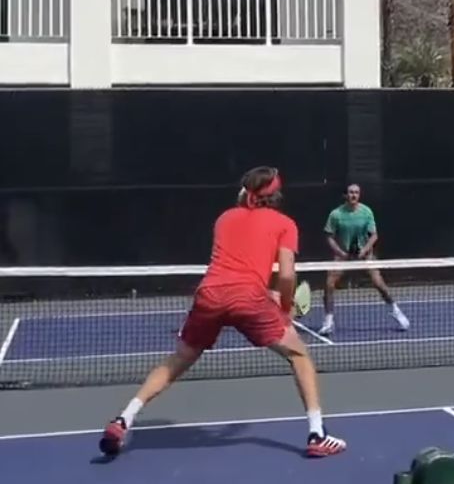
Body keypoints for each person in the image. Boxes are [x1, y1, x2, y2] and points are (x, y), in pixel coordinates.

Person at [98, 166, 346, 459]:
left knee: (179, 359)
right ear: (276, 196)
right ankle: (317, 434)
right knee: (299, 356)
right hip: (249, 299)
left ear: (246, 191)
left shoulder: (224, 219)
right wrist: (284, 307)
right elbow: (288, 276)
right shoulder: (285, 224)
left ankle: (123, 419)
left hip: (210, 294)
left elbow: (236, 266)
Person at [319, 183, 409, 336]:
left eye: (356, 192)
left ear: (359, 195)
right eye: (350, 192)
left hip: (365, 255)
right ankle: (328, 321)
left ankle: (396, 311)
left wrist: (365, 250)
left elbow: (374, 235)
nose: (353, 195)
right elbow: (329, 237)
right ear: (346, 195)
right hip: (343, 256)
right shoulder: (336, 214)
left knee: (379, 283)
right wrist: (340, 252)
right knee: (329, 284)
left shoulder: (366, 212)